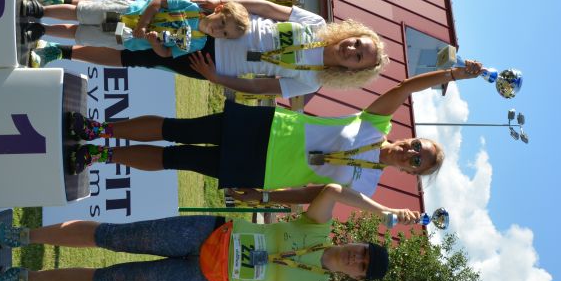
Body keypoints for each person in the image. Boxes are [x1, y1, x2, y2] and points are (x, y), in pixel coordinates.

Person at [65, 59, 484, 203]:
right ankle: (99, 128)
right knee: (178, 128)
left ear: (410, 173)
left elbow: (311, 194)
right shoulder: (377, 125)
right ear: (411, 137)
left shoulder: (367, 187)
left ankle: (99, 155)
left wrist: (265, 197)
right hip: (266, 128)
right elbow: (405, 87)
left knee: (176, 158)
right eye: (417, 146)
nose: (411, 152)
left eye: (417, 161)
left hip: (263, 172)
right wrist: (451, 74)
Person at [0, 184, 414, 281]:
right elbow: (333, 189)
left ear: (354, 276)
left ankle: (22, 278)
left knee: (112, 280)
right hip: (204, 234)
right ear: (357, 241)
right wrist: (385, 210)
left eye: (361, 266)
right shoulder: (319, 226)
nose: (356, 258)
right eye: (362, 251)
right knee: (111, 235)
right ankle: (22, 236)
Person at [25, 0, 388, 97]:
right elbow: (265, 8)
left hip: (209, 63)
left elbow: (260, 87)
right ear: (353, 32)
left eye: (359, 57)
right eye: (358, 43)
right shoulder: (317, 24)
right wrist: (222, 3)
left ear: (353, 70)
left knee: (135, 56)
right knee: (129, 14)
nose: (352, 49)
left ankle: (61, 50)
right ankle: (59, 2)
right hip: (219, 25)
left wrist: (216, 79)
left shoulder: (314, 81)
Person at [20, 0, 250, 67]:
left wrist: (153, 42)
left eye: (224, 34)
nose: (218, 30)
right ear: (219, 9)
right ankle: (41, 10)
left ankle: (42, 31)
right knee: (81, 13)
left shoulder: (198, 43)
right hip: (126, 13)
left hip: (126, 37)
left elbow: (167, 54)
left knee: (80, 33)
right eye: (222, 23)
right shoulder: (191, 9)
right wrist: (143, 24)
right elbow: (158, 1)